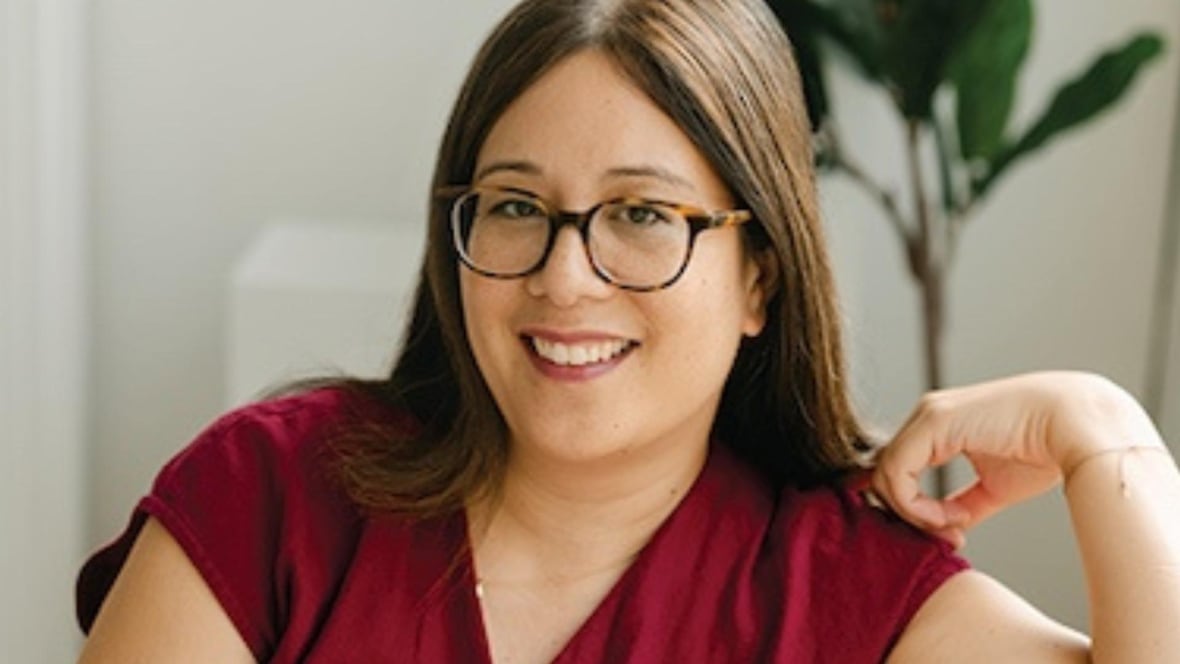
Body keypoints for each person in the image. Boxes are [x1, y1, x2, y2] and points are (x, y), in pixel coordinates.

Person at [76, 0, 1180, 662]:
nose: (564, 276)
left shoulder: (850, 592)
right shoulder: (272, 492)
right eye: (515, 205)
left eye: (642, 216)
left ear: (760, 278)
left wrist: (1105, 435)